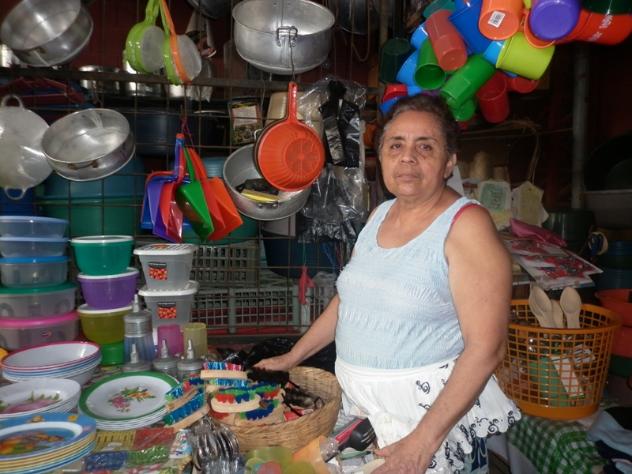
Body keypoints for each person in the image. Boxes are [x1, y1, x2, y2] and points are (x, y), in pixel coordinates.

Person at [256, 94, 520, 473]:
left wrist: (421, 444)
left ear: (449, 162)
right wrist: (292, 357)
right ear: (381, 157)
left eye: (425, 147)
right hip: (366, 414)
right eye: (396, 145)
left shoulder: (466, 227)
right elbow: (349, 301)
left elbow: (486, 349)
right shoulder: (380, 215)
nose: (407, 157)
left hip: (426, 423)